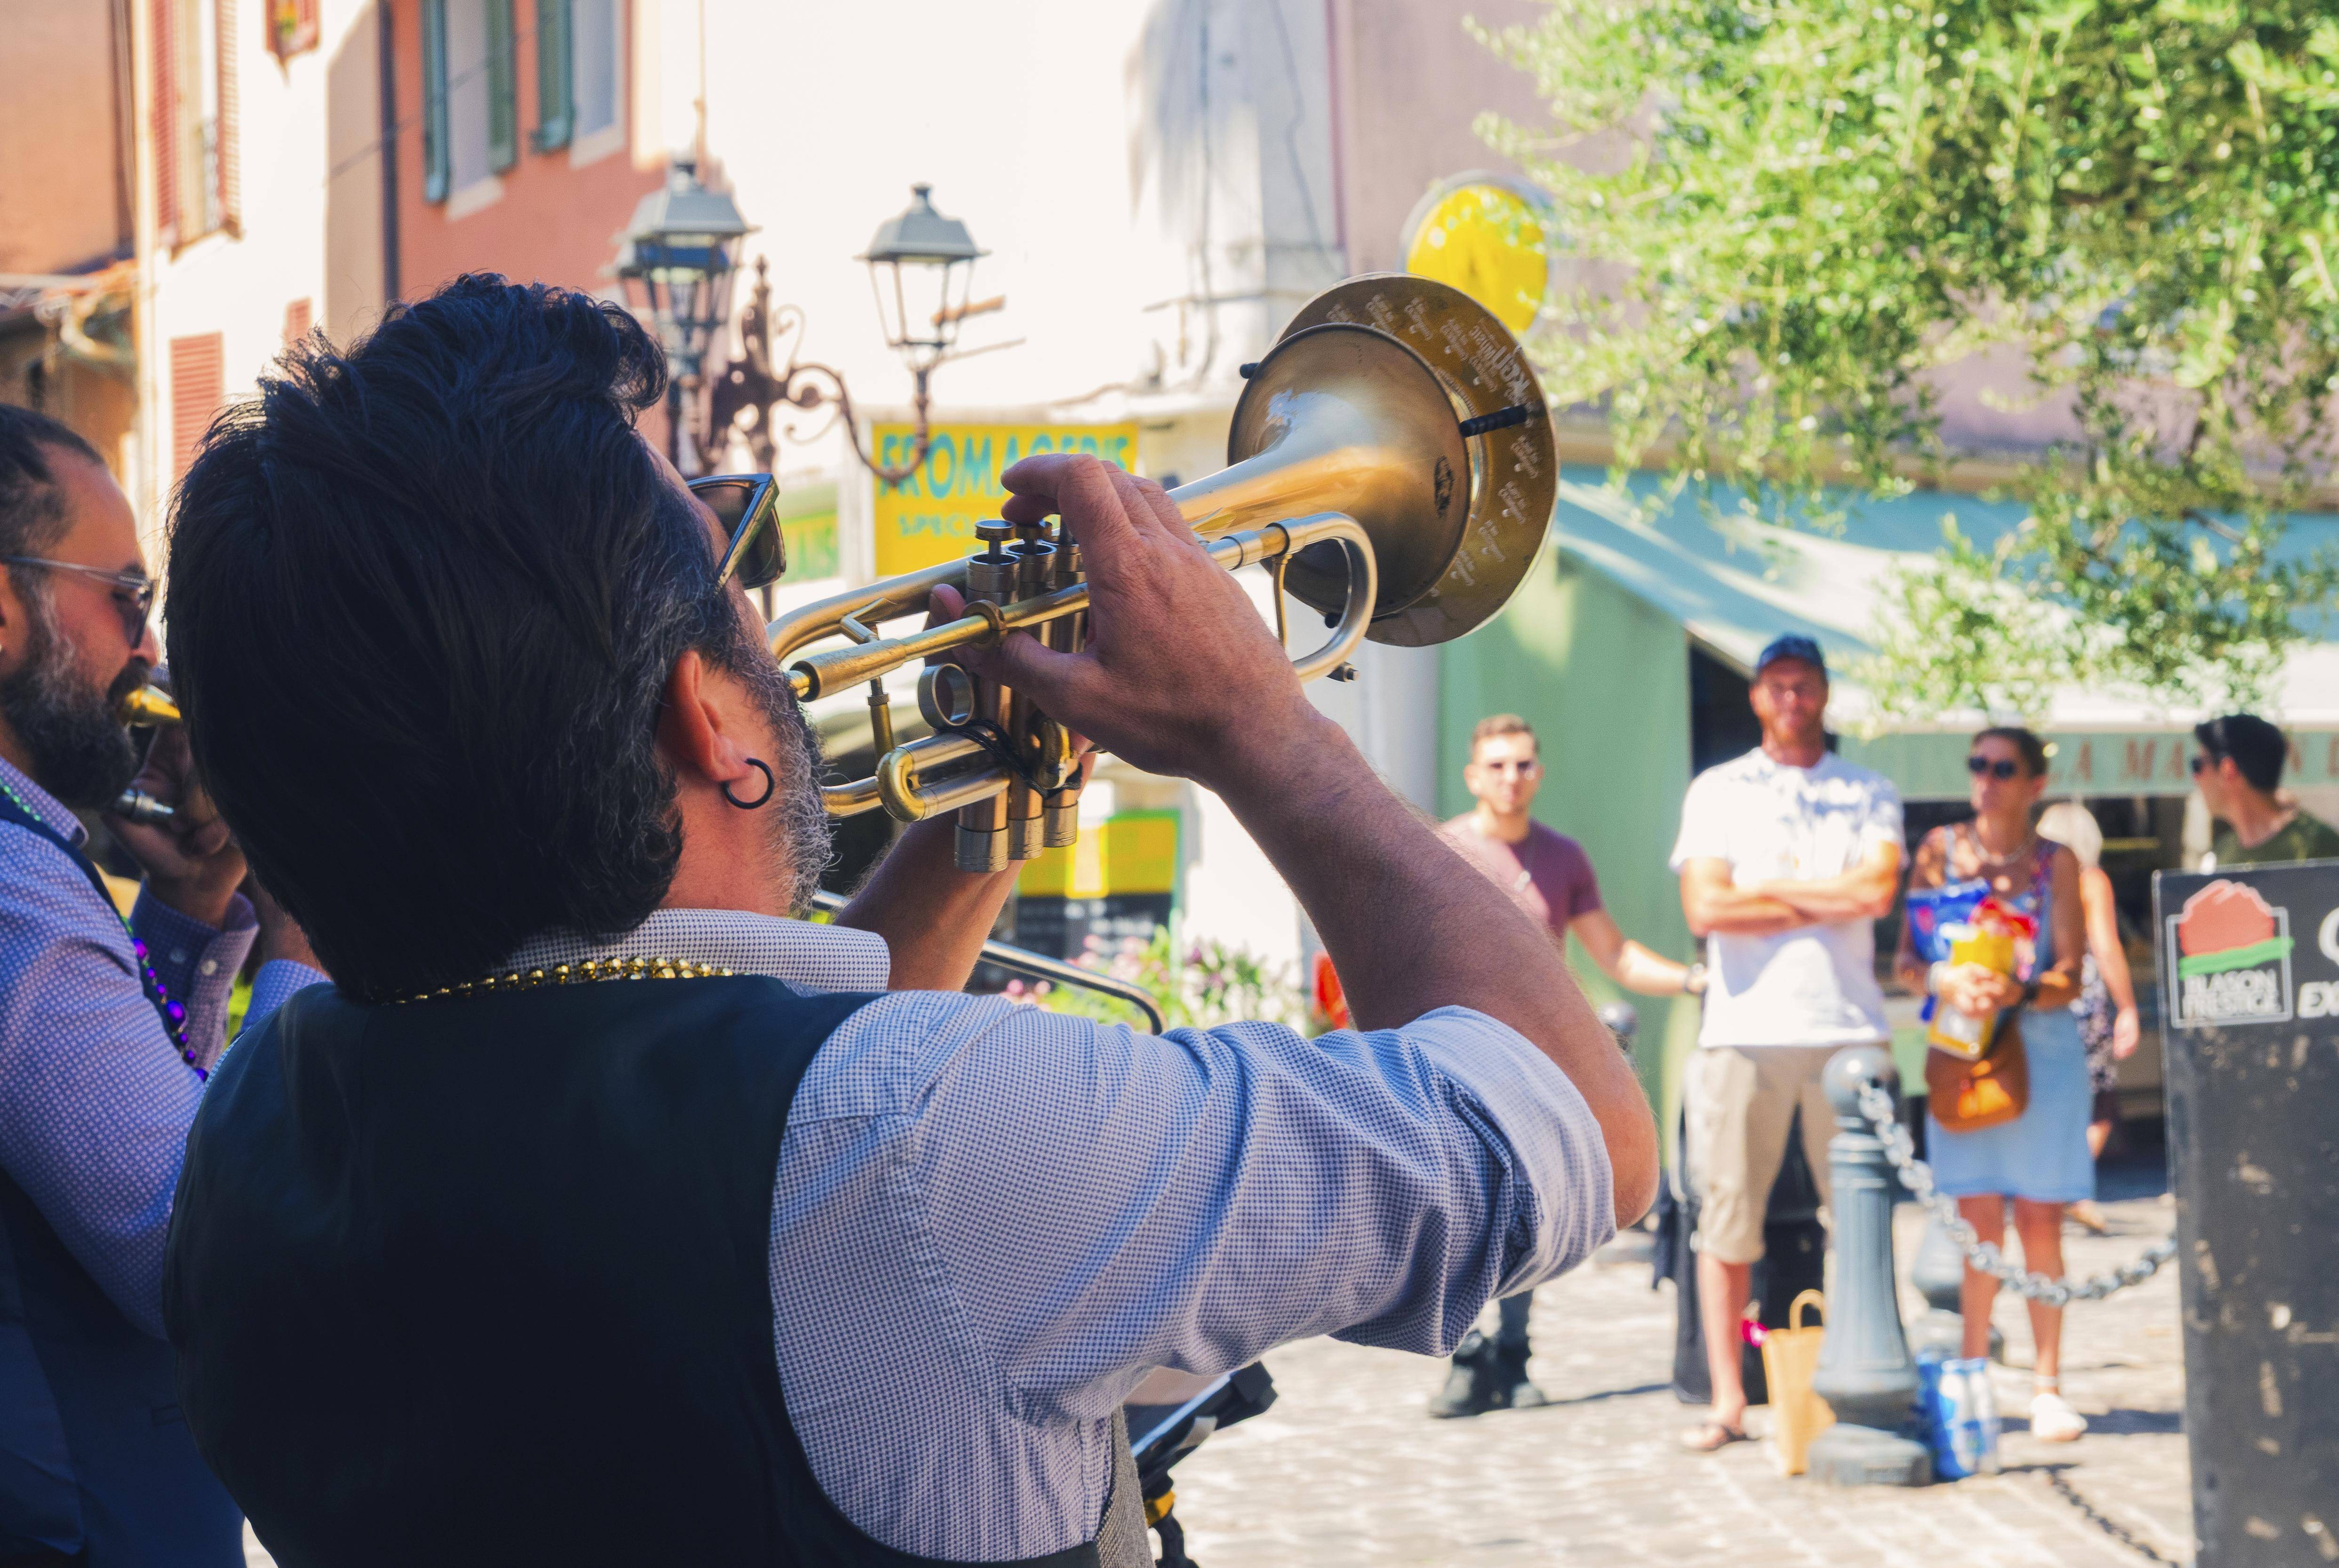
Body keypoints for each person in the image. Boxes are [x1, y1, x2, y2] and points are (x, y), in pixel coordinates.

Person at [157, 278, 1656, 1566]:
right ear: (703, 714)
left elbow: (762, 1106)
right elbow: (1576, 1126)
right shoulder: (925, 1138)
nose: (761, 609)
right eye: (733, 568)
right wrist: (1261, 729)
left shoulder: (247, 1130)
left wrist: (983, 822)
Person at [0, 406, 322, 1566]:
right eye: (128, 600)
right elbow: (210, 1256)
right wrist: (303, 923)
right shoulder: (15, 890)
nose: (148, 650)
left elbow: (136, 1131)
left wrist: (186, 918)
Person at [1428, 713, 1704, 1417]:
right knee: (1463, 1210)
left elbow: (1615, 954)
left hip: (1534, 1064)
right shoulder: (1441, 849)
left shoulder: (1562, 858)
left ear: (1538, 774)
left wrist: (1695, 979)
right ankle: (1465, 1359)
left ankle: (1514, 1356)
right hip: (1456, 1057)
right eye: (1496, 765)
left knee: (1528, 1209)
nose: (1510, 778)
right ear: (1473, 776)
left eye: (1522, 764)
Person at [1670, 633, 1902, 1454]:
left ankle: (1858, 1375)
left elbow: (1876, 891)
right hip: (1745, 1030)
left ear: (1825, 693)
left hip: (1848, 1028)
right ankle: (1729, 1398)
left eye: (1804, 685)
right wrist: (1826, 898)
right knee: (1728, 1219)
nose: (1792, 699)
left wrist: (1765, 890)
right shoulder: (1720, 789)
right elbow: (1707, 908)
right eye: (1777, 685)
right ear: (1757, 696)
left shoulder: (1867, 789)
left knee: (1861, 1218)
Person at [1895, 727, 2091, 1443]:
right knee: (1976, 1221)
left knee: (2040, 1219)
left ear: (2034, 783)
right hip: (1962, 1047)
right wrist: (1944, 978)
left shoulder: (2055, 862)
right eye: (1977, 764)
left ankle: (2047, 1385)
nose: (1986, 778)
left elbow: (2071, 975)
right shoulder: (1939, 849)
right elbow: (1905, 962)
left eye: (2003, 767)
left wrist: (2018, 989)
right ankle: (1971, 1375)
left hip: (2040, 1050)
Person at [2036, 800, 2141, 1230]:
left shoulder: (2033, 878)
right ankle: (2069, 1190)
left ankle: (2051, 1190)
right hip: (2082, 995)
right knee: (2100, 1101)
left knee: (2050, 1098)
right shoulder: (2090, 879)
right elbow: (2105, 944)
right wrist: (2128, 1006)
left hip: (2040, 994)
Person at [2192, 712, 2339, 866]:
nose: (2195, 777)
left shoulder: (2320, 848)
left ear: (2228, 770)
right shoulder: (2220, 855)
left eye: (2197, 765)